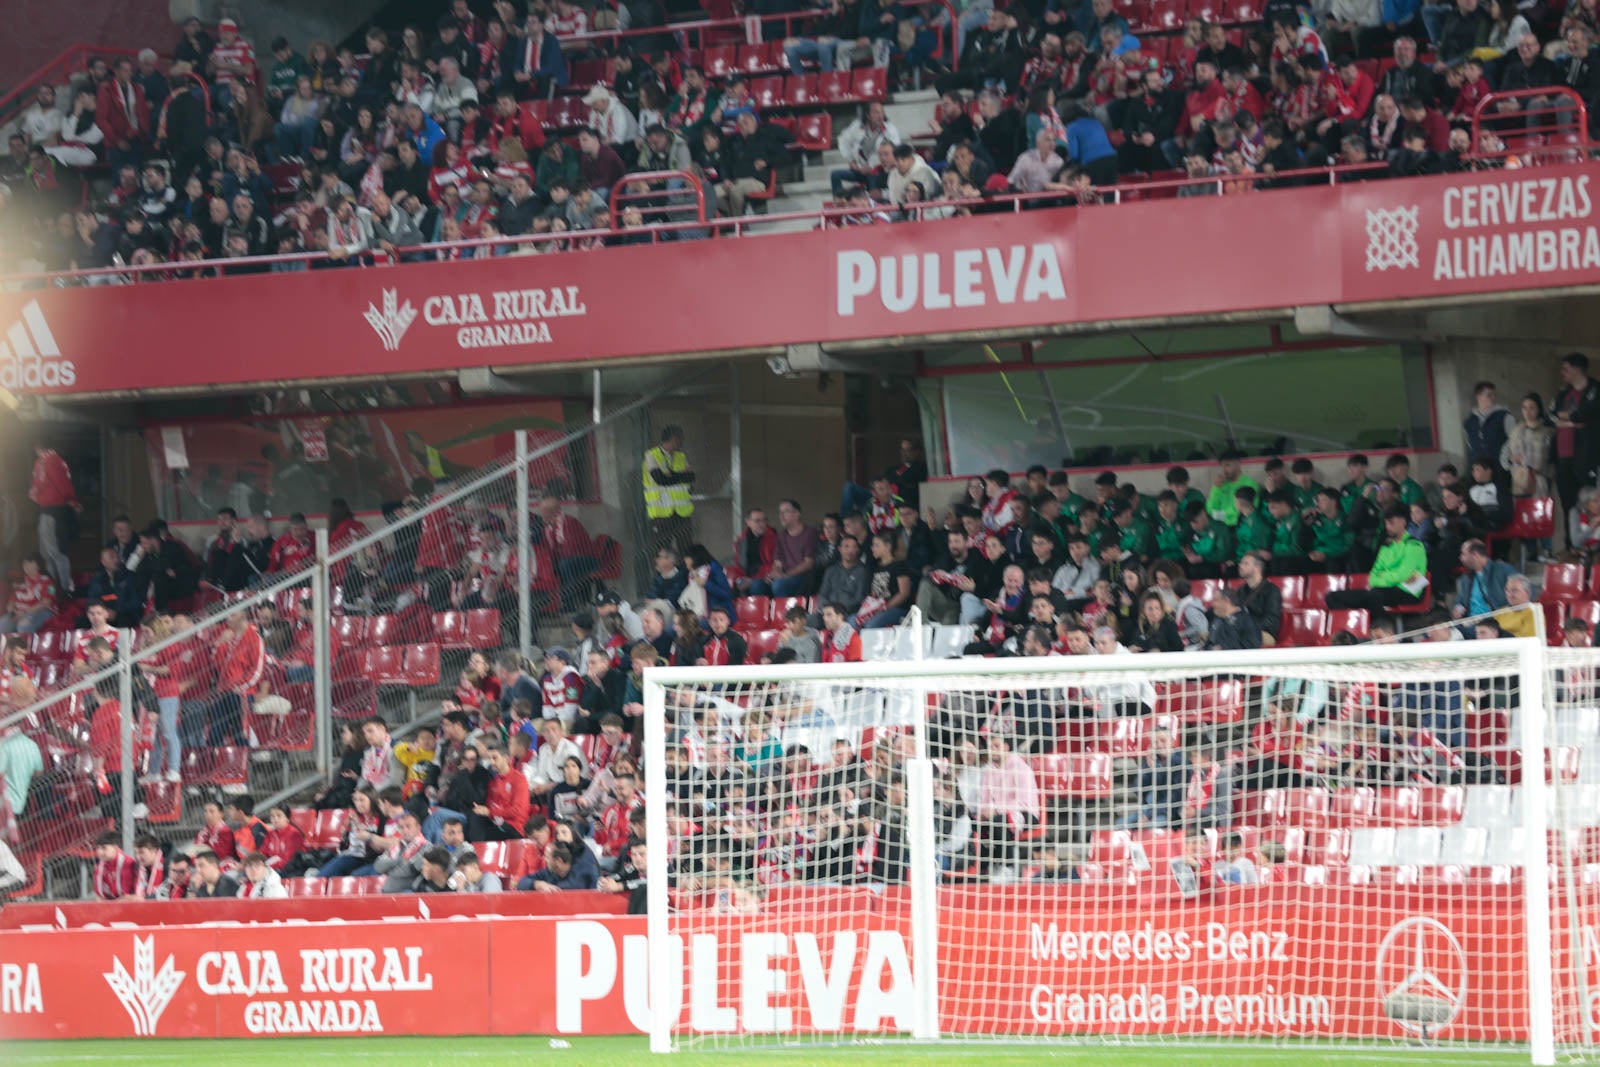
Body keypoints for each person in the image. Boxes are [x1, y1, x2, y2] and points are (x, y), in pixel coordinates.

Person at [1326, 506, 1429, 612]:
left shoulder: (1414, 545)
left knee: (1375, 595)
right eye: (1386, 523)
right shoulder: (1386, 546)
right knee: (1332, 597)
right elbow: (1373, 575)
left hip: (1409, 590)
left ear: (1403, 522)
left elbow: (1403, 574)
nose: (1387, 527)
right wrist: (1381, 580)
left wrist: (1382, 578)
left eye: (1391, 523)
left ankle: (1380, 626)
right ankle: (1354, 625)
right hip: (1382, 590)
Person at [29, 441, 80, 596]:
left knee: (54, 552)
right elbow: (63, 485)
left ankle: (63, 587)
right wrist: (72, 500)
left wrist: (71, 499)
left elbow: (58, 485)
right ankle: (55, 587)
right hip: (51, 509)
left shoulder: (47, 461)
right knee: (48, 552)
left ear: (38, 447)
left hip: (52, 510)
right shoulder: (52, 461)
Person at [643, 425, 695, 552]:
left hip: (682, 514)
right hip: (661, 515)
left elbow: (691, 477)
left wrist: (671, 476)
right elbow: (660, 480)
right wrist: (680, 475)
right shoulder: (652, 455)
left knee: (687, 551)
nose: (682, 442)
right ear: (673, 438)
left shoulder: (681, 456)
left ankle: (685, 572)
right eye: (680, 438)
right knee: (662, 552)